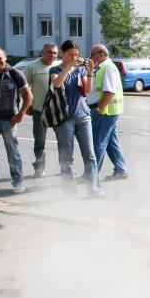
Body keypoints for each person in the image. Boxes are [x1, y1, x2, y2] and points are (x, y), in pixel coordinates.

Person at [50, 40, 102, 197]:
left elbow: (87, 91)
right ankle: (69, 192)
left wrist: (90, 72)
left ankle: (94, 189)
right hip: (64, 119)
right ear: (62, 53)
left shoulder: (80, 70)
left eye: (76, 55)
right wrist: (69, 67)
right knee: (66, 157)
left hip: (83, 115)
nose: (74, 57)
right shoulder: (55, 70)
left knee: (90, 155)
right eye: (70, 55)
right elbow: (57, 84)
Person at [88, 44, 128, 180]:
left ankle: (91, 175)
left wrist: (100, 107)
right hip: (106, 111)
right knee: (111, 142)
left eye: (92, 54)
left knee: (98, 143)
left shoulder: (107, 67)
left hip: (105, 112)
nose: (90, 57)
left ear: (101, 54)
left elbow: (110, 91)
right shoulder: (101, 66)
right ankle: (121, 169)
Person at [0, 46, 32, 194]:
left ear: (5, 58)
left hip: (9, 121)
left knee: (13, 154)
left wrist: (21, 114)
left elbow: (28, 96)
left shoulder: (15, 73)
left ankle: (18, 183)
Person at [24, 42, 59, 177]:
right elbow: (24, 88)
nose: (52, 55)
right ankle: (39, 168)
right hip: (39, 110)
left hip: (58, 110)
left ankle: (66, 167)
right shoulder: (31, 66)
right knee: (39, 141)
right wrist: (27, 106)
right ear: (42, 53)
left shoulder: (60, 66)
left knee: (63, 140)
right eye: (49, 52)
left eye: (55, 53)